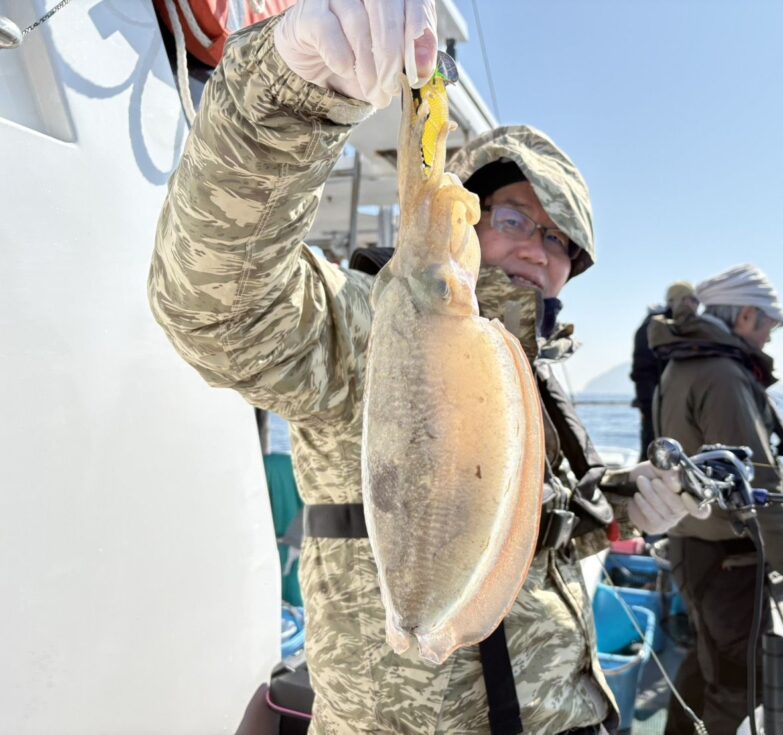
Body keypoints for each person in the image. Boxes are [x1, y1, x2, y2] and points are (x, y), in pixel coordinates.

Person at [147, 2, 693, 733]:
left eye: (559, 240)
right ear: (466, 212)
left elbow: (532, 516)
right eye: (513, 219)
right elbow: (218, 307)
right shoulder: (374, 320)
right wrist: (289, 97)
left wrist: (632, 501)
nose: (537, 248)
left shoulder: (529, 370)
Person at [649, 264, 783, 735]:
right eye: (769, 324)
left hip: (692, 549)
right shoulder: (723, 374)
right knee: (739, 688)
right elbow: (758, 490)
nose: (770, 336)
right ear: (746, 317)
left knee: (705, 670)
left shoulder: (681, 363)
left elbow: (718, 462)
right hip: (727, 565)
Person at [629, 282, 699, 457]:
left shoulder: (685, 328)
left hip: (679, 407)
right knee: (652, 454)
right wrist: (649, 408)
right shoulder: (653, 328)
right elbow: (642, 372)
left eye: (696, 301)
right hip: (655, 406)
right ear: (676, 300)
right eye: (690, 299)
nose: (695, 305)